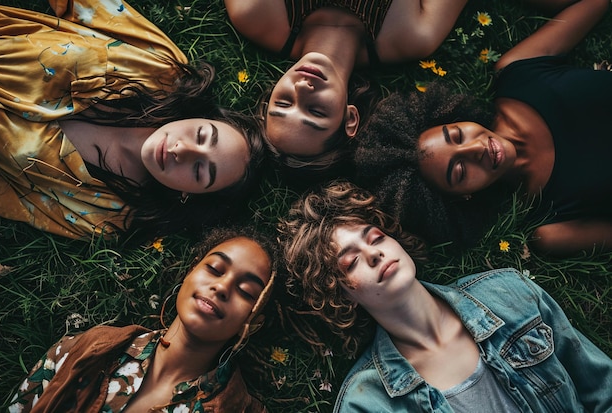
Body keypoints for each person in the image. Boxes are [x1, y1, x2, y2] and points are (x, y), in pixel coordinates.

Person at [278, 180, 612, 413]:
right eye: (351, 261)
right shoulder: (367, 402)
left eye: (376, 238)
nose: (374, 254)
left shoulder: (510, 293)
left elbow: (602, 388)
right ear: (341, 295)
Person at [0, 0, 266, 241]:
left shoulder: (110, 215)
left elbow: (3, 195)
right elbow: (88, 7)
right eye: (202, 136)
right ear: (200, 117)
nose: (182, 150)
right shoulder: (162, 69)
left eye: (199, 171)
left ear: (188, 195)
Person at [353, 0, 612, 256]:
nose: (477, 148)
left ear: (450, 116)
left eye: (456, 135)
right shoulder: (554, 228)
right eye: (460, 170)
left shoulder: (518, 71)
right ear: (463, 198)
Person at [224, 0, 571, 174]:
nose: (303, 88)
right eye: (316, 111)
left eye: (283, 103)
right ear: (350, 119)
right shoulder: (413, 38)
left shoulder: (255, 13)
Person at [7, 226, 279, 412]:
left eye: (246, 291)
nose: (221, 287)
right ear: (190, 272)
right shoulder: (82, 350)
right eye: (214, 269)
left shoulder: (238, 409)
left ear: (253, 323)